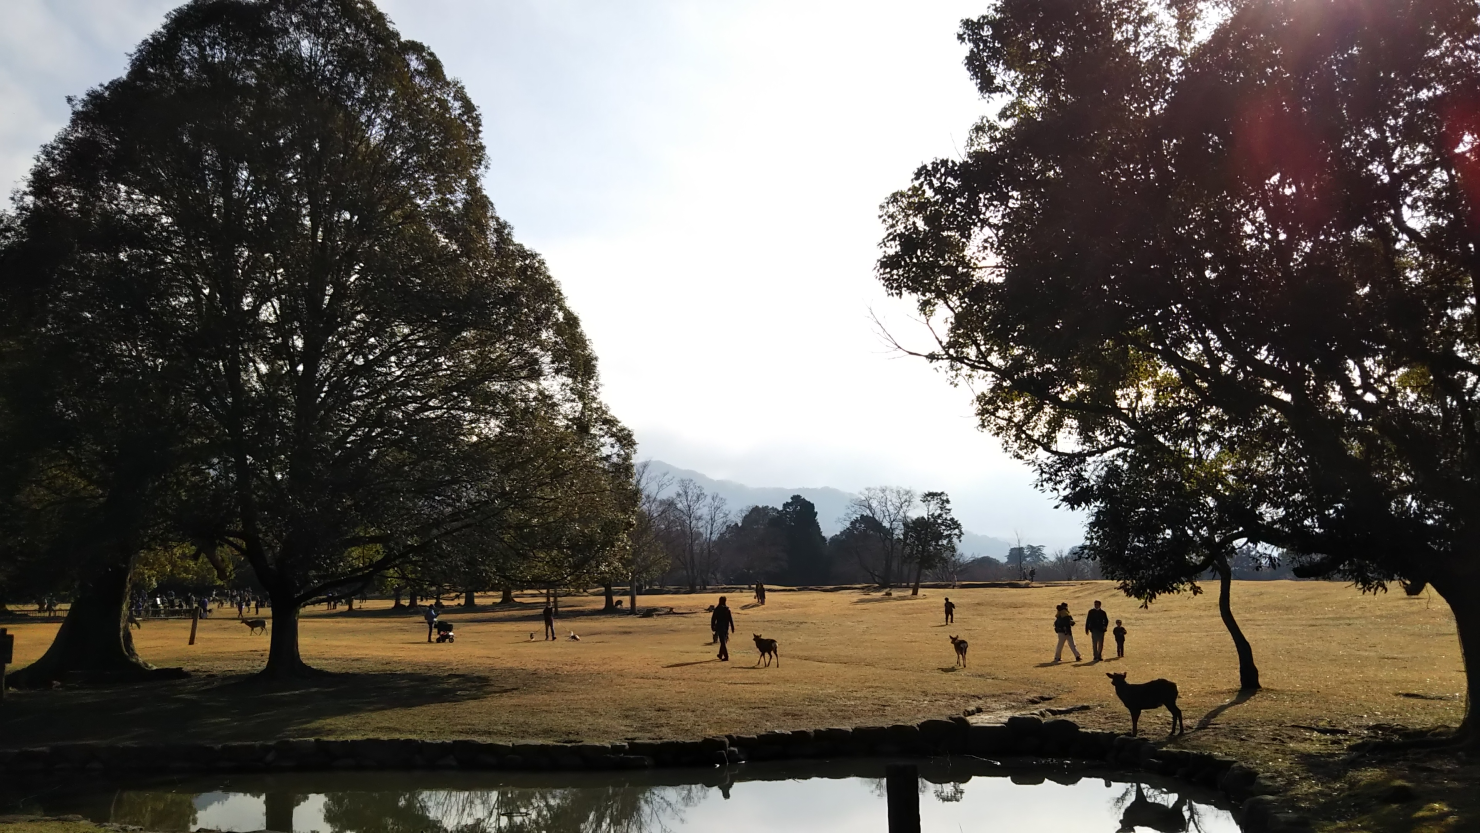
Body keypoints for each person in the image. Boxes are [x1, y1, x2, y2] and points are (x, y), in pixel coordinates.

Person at [711, 596, 735, 661]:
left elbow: (713, 618)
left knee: (723, 642)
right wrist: (732, 627)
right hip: (726, 627)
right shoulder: (727, 609)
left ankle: (726, 656)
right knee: (723, 641)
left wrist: (712, 626)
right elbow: (730, 619)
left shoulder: (717, 609)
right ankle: (720, 654)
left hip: (719, 627)